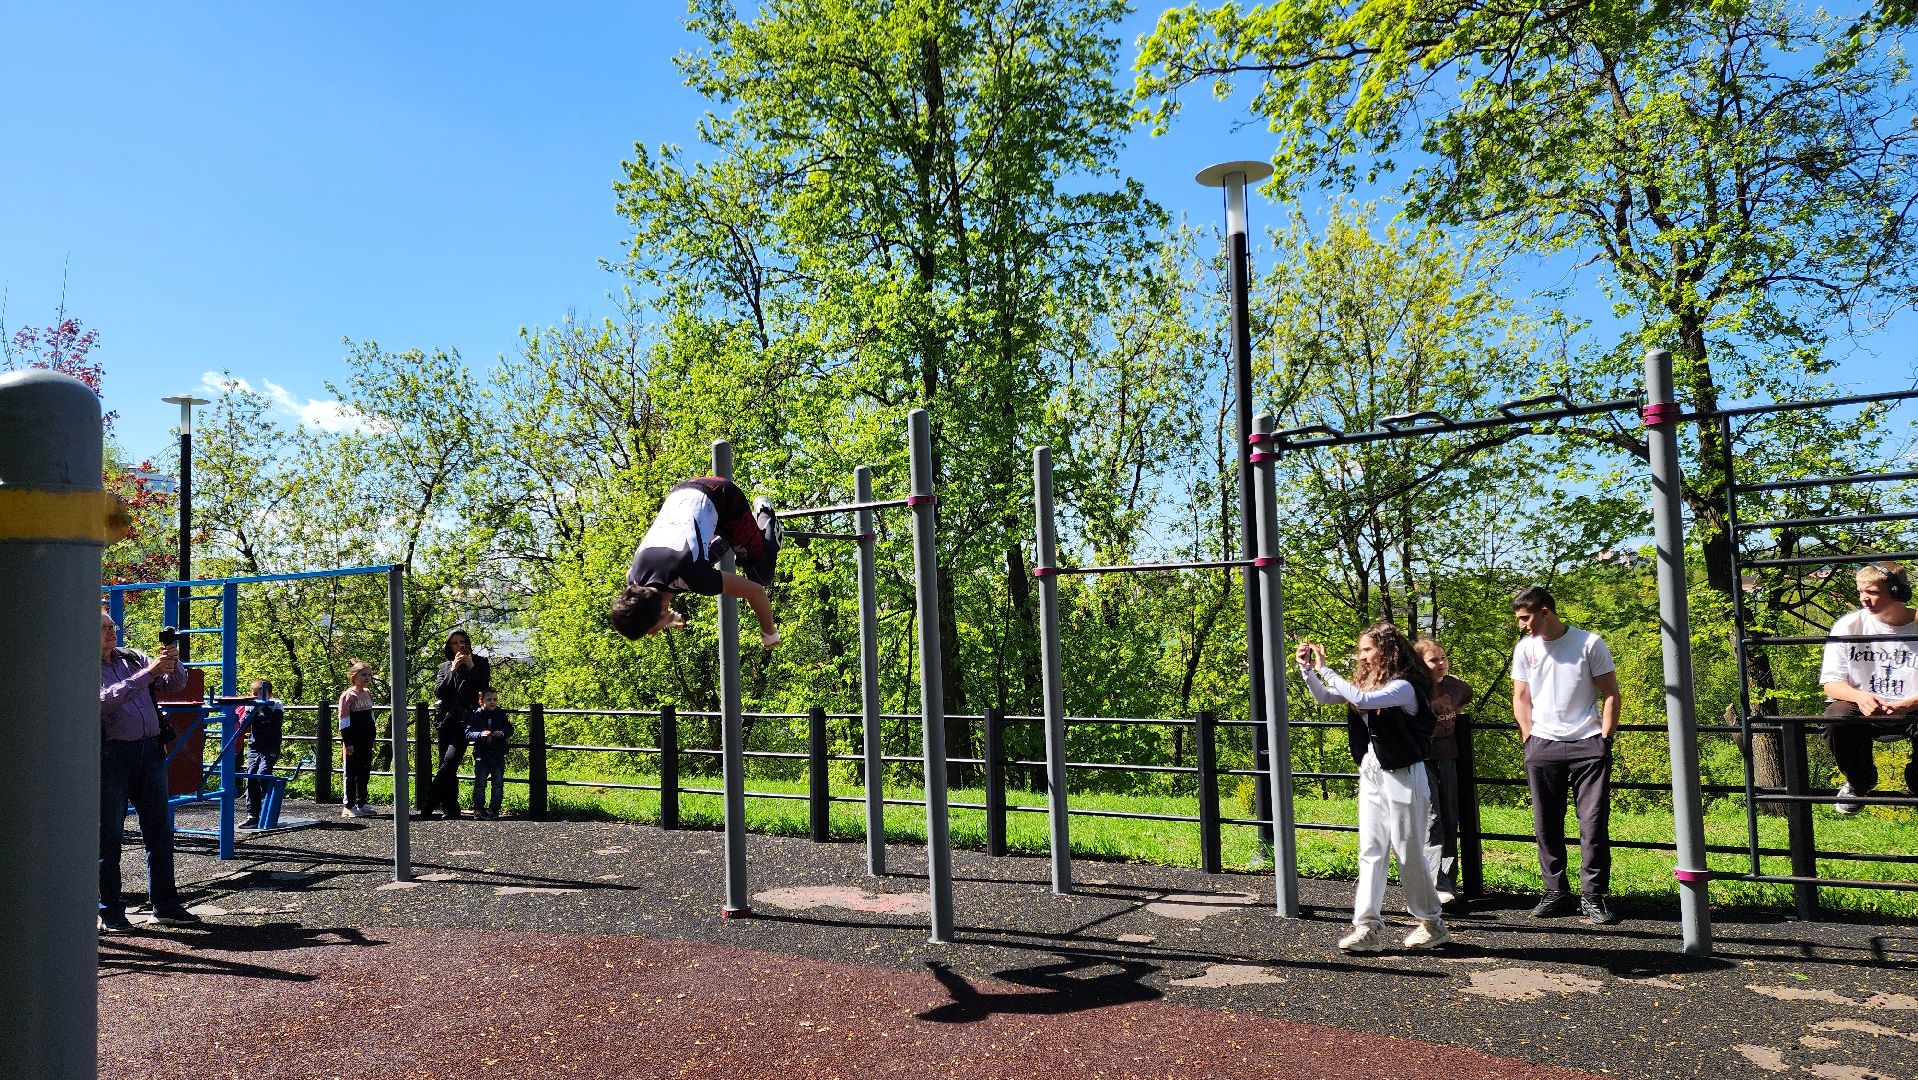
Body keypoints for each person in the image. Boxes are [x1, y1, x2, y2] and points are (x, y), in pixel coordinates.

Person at [1297, 621, 1449, 953]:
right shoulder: (1368, 684)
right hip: (1373, 772)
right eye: (1361, 650)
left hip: (1404, 775)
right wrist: (1309, 671)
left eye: (1367, 650)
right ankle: (1366, 926)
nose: (1362, 657)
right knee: (1371, 850)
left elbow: (1362, 700)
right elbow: (1326, 696)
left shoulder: (1405, 686)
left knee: (1408, 852)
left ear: (1386, 650)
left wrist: (1327, 668)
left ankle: (1432, 922)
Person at [1510, 585, 1622, 925]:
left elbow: (1611, 694)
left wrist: (1604, 739)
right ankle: (1556, 891)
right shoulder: (1525, 649)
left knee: (1592, 823)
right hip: (1542, 744)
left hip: (1587, 743)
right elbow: (1521, 697)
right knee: (1546, 822)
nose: (1522, 625)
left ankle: (1593, 895)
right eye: (1519, 620)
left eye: (1526, 618)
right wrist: (1529, 738)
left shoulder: (1589, 643)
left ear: (1546, 612)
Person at [99, 609, 201, 929]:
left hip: (150, 751)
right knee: (109, 835)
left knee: (159, 832)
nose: (111, 632)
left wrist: (171, 662)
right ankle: (111, 911)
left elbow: (175, 684)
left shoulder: (132, 657)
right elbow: (103, 701)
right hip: (111, 755)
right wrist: (149, 673)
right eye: (103, 629)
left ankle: (166, 904)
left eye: (112, 626)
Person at [608, 476, 783, 647]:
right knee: (697, 564)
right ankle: (734, 540)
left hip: (723, 495)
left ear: (660, 611)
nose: (653, 634)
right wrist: (666, 617)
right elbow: (659, 592)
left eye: (650, 631)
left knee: (761, 575)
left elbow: (756, 592)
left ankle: (765, 516)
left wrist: (769, 631)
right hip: (683, 490)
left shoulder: (693, 576)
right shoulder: (634, 579)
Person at [1819, 561, 1918, 814]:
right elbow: (1831, 683)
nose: (1864, 599)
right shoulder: (1848, 626)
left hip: (1913, 710)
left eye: (1872, 592)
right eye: (1861, 591)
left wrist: (1909, 704)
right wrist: (1860, 697)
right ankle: (1859, 781)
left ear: (1898, 593)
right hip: (1861, 710)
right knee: (1836, 717)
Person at [1413, 638, 1474, 906]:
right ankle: (1433, 884)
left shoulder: (1454, 686)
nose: (1441, 663)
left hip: (1448, 757)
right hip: (1423, 759)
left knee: (1450, 818)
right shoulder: (1415, 689)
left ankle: (1447, 881)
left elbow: (1466, 695)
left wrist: (1456, 713)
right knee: (1433, 818)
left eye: (1444, 657)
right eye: (1434, 660)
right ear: (1420, 664)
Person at [425, 630, 491, 819]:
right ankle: (450, 807)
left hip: (467, 720)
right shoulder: (445, 667)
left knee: (450, 761)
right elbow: (439, 691)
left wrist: (471, 667)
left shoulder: (480, 663)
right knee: (445, 763)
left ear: (468, 644)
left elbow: (484, 687)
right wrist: (453, 670)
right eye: (455, 643)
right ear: (449, 646)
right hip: (446, 720)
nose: (459, 646)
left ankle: (428, 803)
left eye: (462, 642)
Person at [236, 678, 285, 829]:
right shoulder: (251, 706)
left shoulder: (276, 704)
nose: (255, 697)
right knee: (251, 776)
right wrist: (253, 709)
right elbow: (245, 724)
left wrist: (263, 707)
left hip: (270, 746)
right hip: (255, 747)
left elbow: (275, 722)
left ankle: (268, 804)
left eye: (259, 694)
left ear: (269, 695)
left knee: (263, 773)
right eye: (254, 694)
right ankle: (253, 815)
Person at [337, 661, 378, 818]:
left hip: (366, 739)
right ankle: (349, 805)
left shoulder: (367, 693)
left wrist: (373, 738)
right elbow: (344, 721)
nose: (367, 678)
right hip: (353, 740)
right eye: (363, 675)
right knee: (351, 772)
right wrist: (348, 743)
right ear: (354, 676)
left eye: (369, 675)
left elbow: (371, 717)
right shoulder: (348, 696)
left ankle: (362, 802)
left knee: (364, 771)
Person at [465, 689, 514, 819]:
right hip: (482, 754)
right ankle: (478, 809)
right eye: (489, 700)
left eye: (495, 699)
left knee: (498, 783)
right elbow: (468, 733)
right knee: (480, 783)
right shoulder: (476, 716)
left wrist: (502, 733)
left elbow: (510, 729)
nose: (492, 702)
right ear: (481, 702)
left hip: (498, 754)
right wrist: (480, 734)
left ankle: (494, 809)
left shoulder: (500, 714)